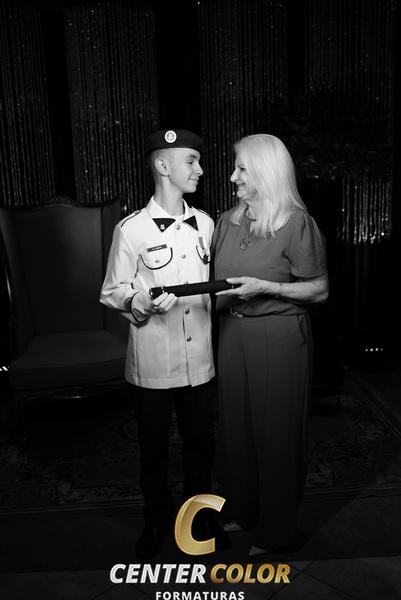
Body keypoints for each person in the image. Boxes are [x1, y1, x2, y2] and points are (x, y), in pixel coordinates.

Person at [100, 128, 227, 558]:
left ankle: (201, 520)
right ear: (162, 166)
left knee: (201, 446)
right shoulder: (130, 229)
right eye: (191, 161)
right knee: (153, 450)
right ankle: (155, 521)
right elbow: (111, 291)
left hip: (201, 360)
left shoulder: (206, 224)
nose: (200, 169)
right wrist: (141, 301)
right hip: (153, 362)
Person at [212, 133, 328, 556]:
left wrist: (268, 287)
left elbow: (319, 290)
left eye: (241, 168)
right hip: (232, 334)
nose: (232, 177)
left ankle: (278, 531)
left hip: (279, 337)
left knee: (277, 434)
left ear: (266, 171)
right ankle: (244, 510)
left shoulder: (296, 223)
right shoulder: (227, 221)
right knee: (236, 429)